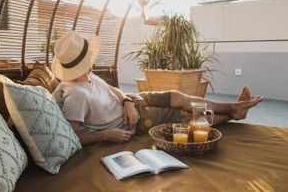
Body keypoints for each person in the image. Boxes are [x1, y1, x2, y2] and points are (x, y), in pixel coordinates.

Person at [51, 32, 263, 145]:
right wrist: (105, 135)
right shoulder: (75, 95)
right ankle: (234, 113)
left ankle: (234, 107)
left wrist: (126, 101)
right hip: (133, 121)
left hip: (133, 101)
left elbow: (113, 90)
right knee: (186, 116)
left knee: (177, 96)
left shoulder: (88, 75)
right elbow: (73, 134)